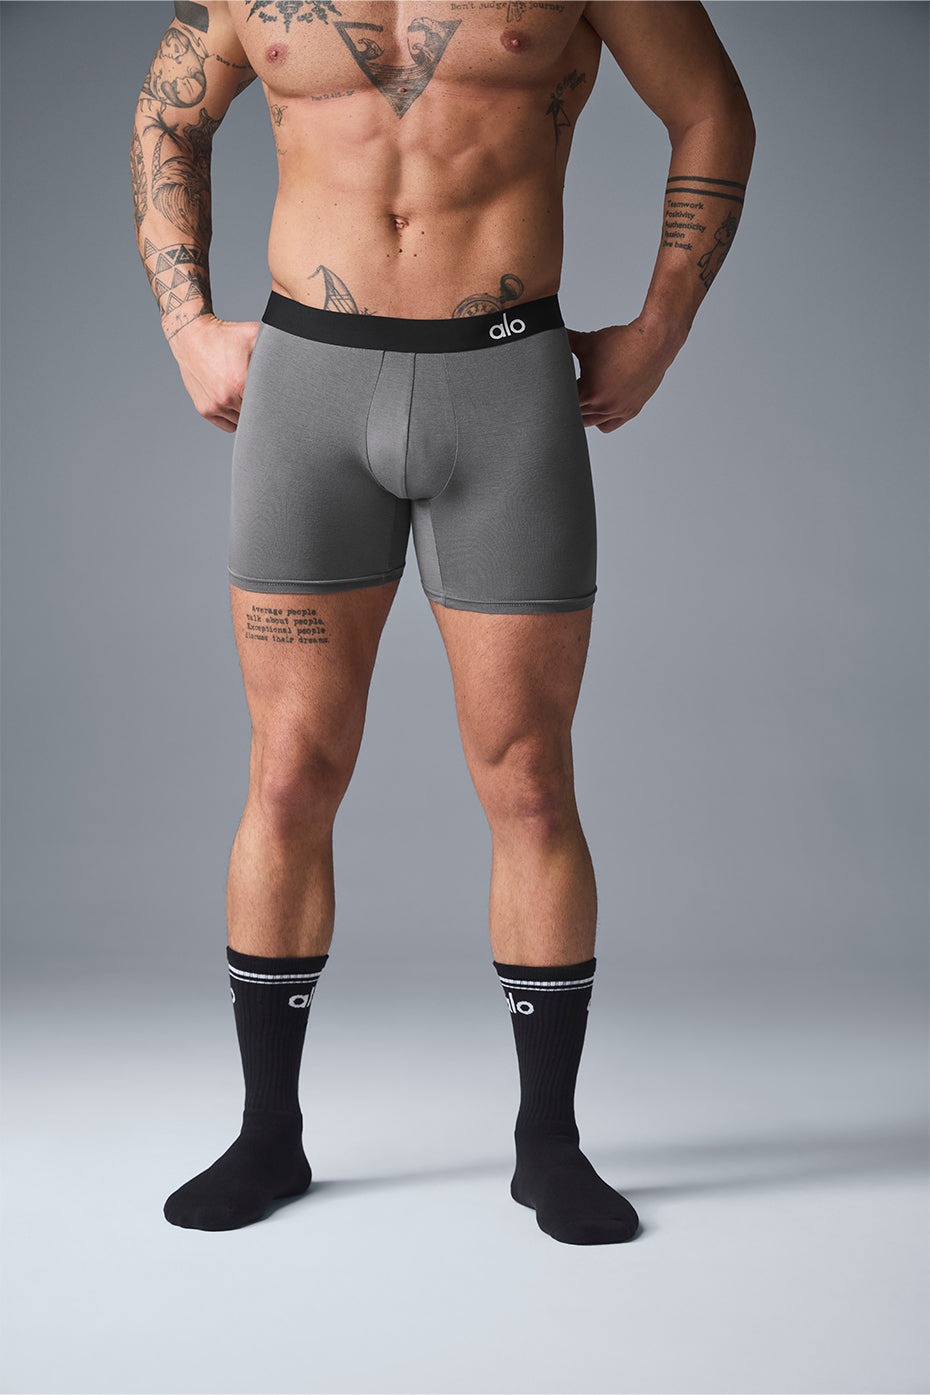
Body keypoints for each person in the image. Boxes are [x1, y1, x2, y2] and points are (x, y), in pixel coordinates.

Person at [132, 0, 754, 1245]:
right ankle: (267, 1134)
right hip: (308, 389)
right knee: (290, 771)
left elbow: (712, 112)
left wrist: (661, 330)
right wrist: (185, 321)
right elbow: (167, 113)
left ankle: (550, 1145)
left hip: (503, 383)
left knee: (528, 777)